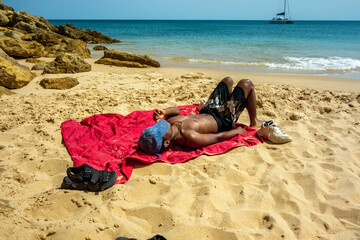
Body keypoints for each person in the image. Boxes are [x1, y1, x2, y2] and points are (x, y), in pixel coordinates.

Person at [138, 77, 291, 155]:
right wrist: (236, 132)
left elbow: (177, 111)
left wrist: (165, 112)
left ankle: (218, 103)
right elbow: (218, 138)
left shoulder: (168, 125)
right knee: (246, 84)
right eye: (160, 128)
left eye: (157, 125)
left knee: (227, 80)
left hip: (208, 110)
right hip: (223, 119)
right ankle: (254, 121)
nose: (160, 124)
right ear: (166, 143)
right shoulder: (189, 137)